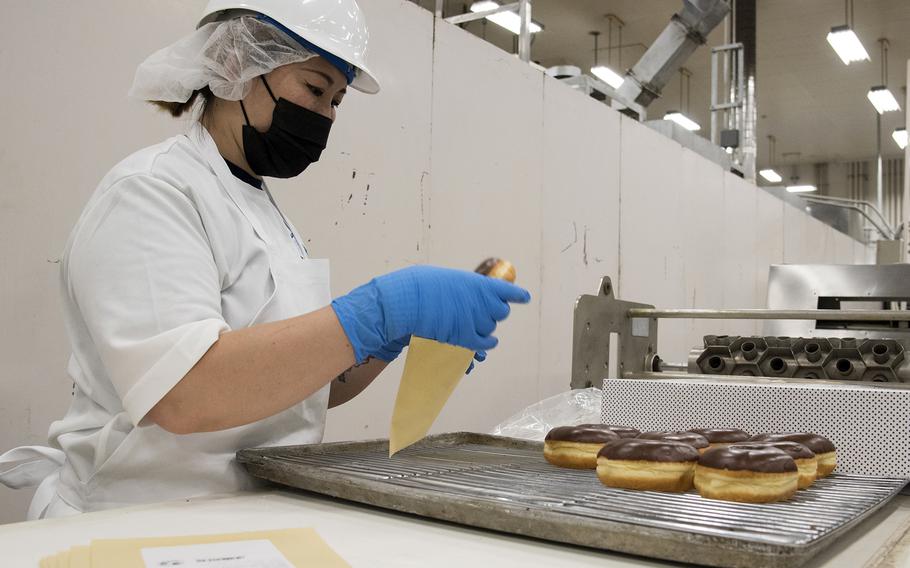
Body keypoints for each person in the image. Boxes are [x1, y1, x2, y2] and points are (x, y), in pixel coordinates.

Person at [0, 0, 530, 520]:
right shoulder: (151, 193)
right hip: (134, 518)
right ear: (237, 67)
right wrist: (381, 309)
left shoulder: (263, 212)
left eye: (337, 101)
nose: (323, 115)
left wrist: (389, 338)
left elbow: (295, 389)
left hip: (239, 517)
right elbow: (184, 394)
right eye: (315, 88)